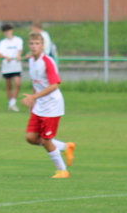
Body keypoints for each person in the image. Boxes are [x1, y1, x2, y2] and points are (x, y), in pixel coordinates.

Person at [21, 32, 75, 178]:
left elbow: (54, 85)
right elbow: (35, 82)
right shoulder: (32, 61)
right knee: (31, 138)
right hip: (39, 105)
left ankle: (63, 170)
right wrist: (33, 101)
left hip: (52, 106)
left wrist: (34, 97)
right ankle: (65, 147)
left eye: (37, 44)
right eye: (31, 43)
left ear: (43, 46)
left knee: (46, 140)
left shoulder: (47, 61)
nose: (34, 46)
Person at [0, 24, 23, 112]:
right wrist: (5, 57)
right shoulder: (2, 42)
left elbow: (20, 50)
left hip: (16, 66)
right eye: (6, 31)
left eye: (9, 30)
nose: (7, 32)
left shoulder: (18, 40)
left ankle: (13, 103)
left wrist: (19, 55)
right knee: (8, 85)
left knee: (17, 83)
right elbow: (0, 53)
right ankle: (11, 104)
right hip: (7, 66)